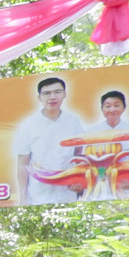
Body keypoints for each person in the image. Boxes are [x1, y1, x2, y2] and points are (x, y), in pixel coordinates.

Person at [13, 75, 88, 205]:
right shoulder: (28, 125)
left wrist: (80, 179)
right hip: (39, 193)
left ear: (64, 94)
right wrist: (22, 197)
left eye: (57, 92)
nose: (52, 97)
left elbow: (80, 154)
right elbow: (22, 164)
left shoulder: (73, 120)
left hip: (67, 191)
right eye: (47, 93)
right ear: (39, 97)